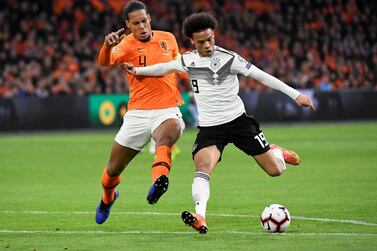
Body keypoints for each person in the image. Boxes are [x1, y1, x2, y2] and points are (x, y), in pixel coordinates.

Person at [123, 12, 315, 234]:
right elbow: (164, 68)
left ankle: (278, 153)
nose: (208, 45)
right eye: (202, 41)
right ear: (192, 42)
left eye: (210, 39)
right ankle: (200, 216)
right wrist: (137, 71)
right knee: (202, 167)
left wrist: (295, 95)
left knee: (275, 171)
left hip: (239, 122)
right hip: (211, 129)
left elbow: (262, 76)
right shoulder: (187, 60)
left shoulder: (229, 59)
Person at [95, 0, 185, 225]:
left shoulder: (168, 39)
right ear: (128, 25)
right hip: (137, 113)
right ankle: (108, 198)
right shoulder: (125, 45)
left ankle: (159, 181)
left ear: (150, 18)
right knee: (113, 170)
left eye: (144, 20)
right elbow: (104, 62)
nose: (142, 26)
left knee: (169, 133)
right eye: (136, 23)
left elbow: (180, 66)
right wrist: (107, 45)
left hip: (167, 108)